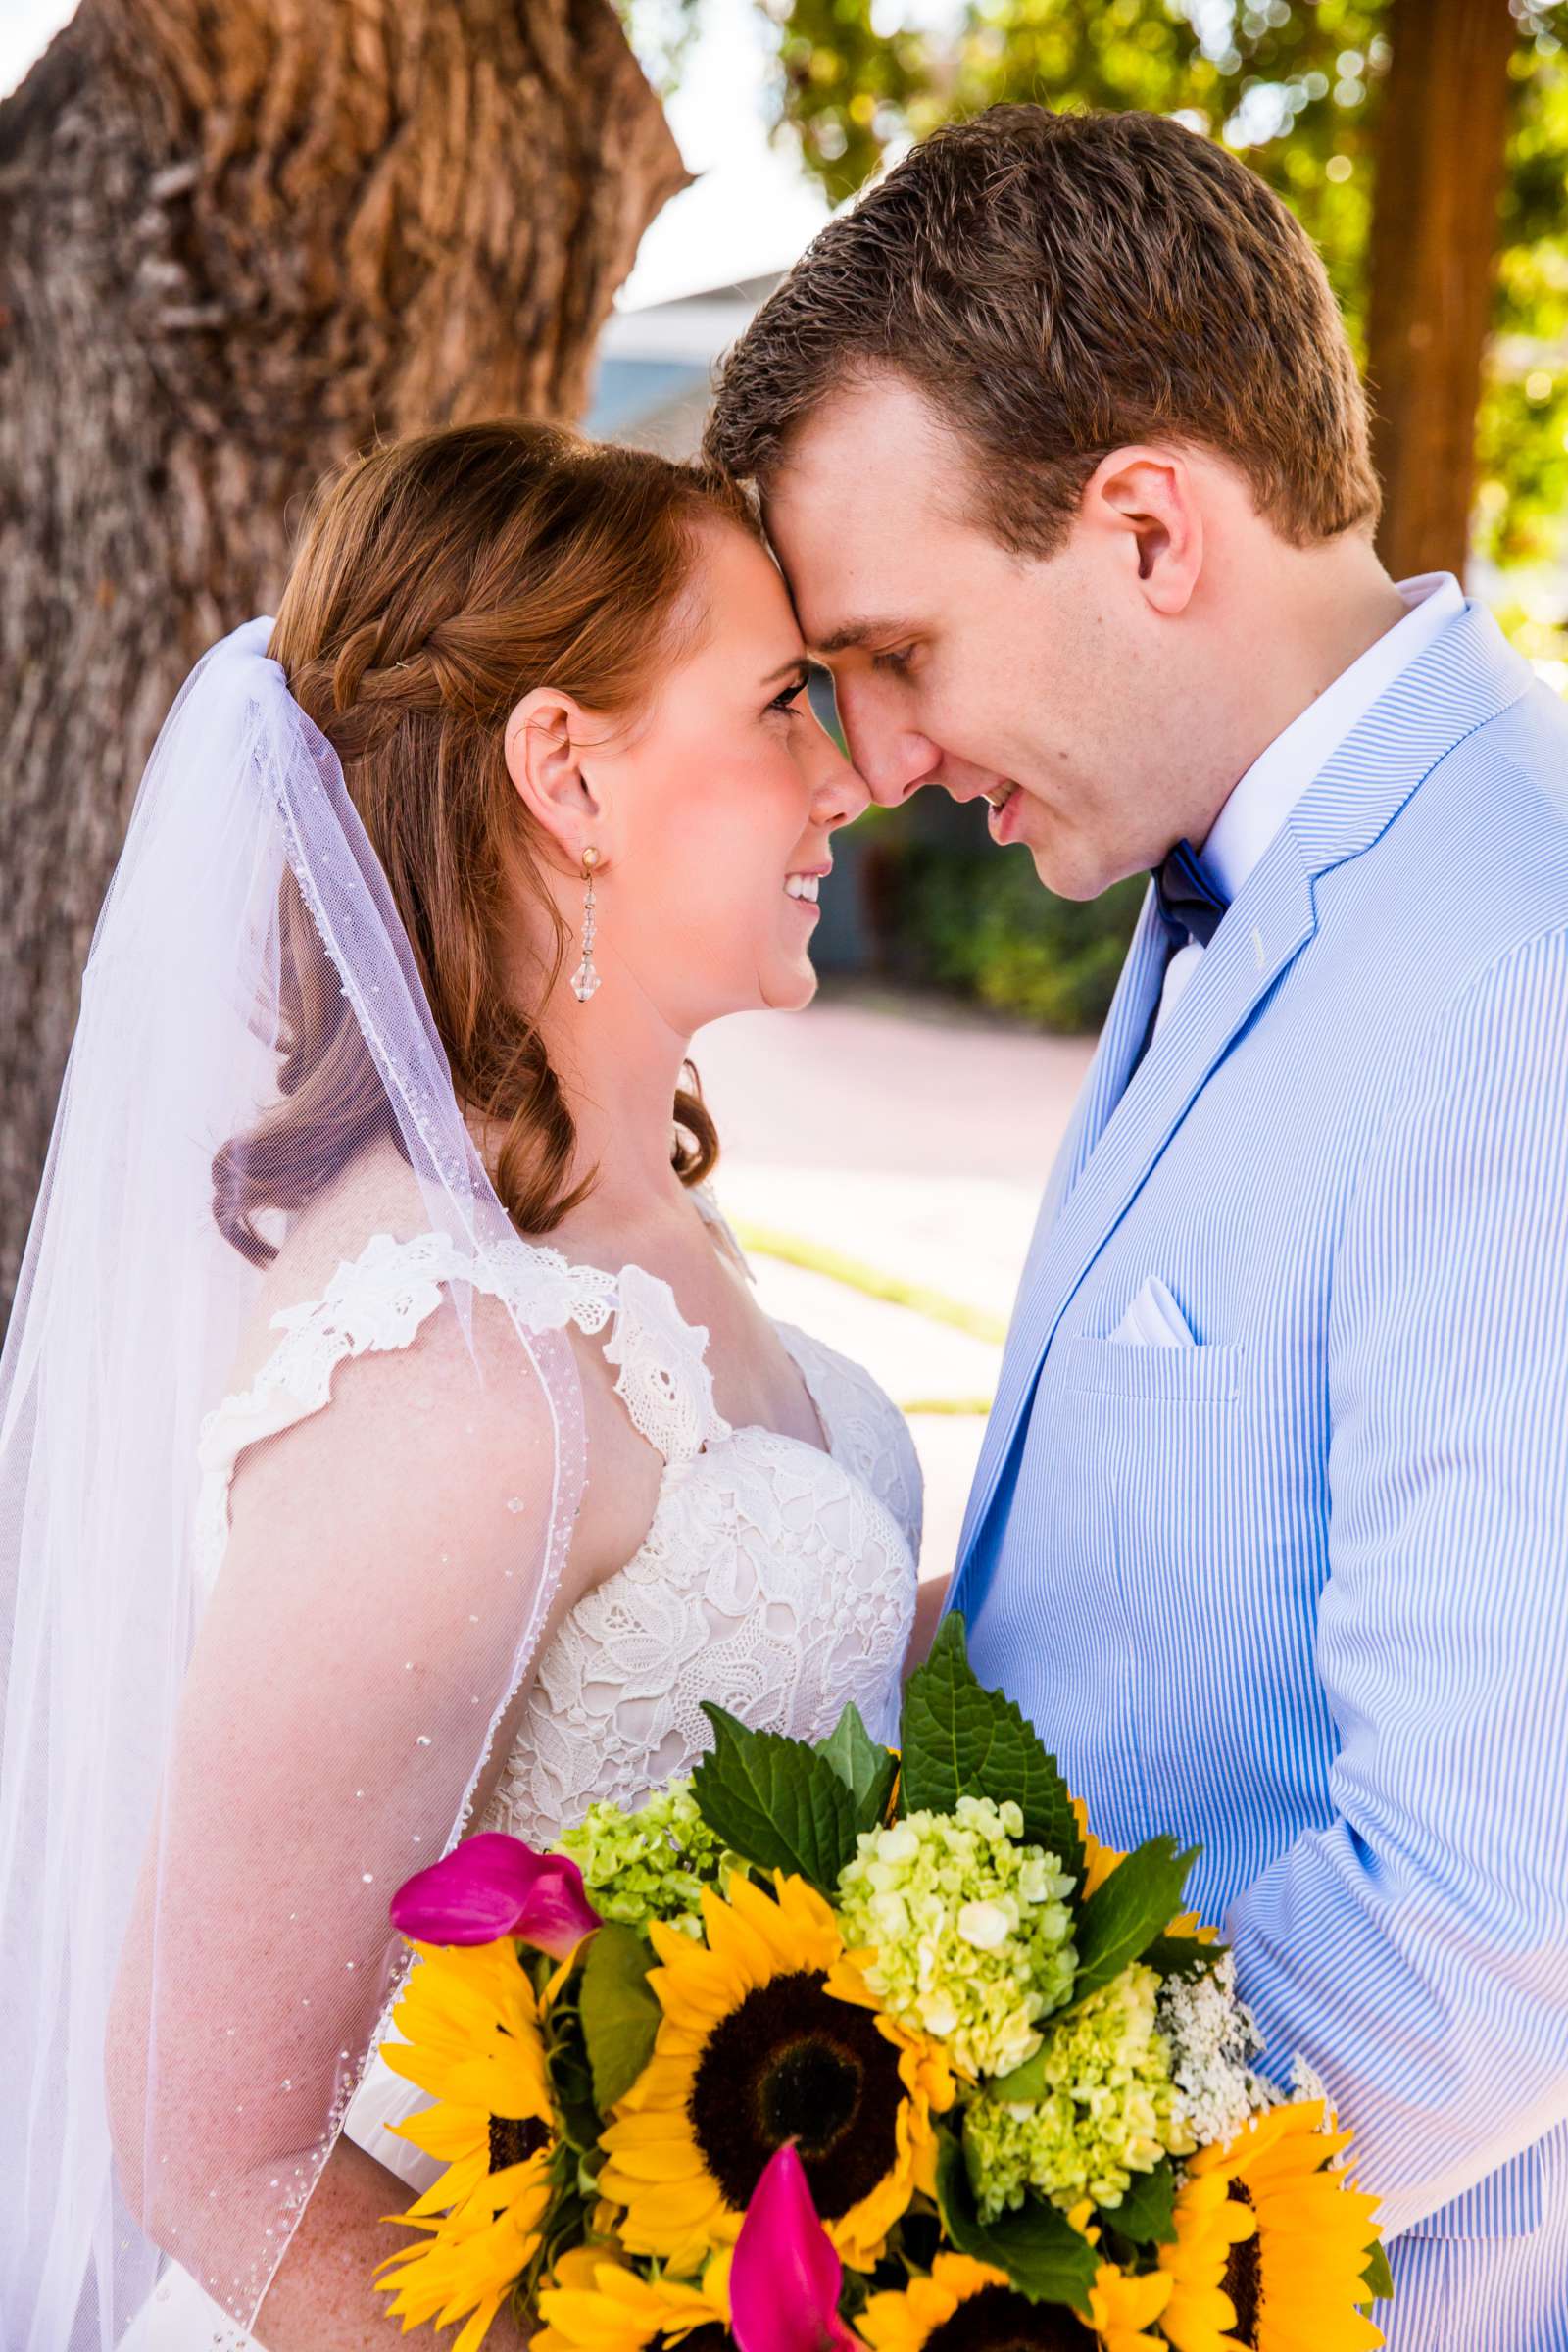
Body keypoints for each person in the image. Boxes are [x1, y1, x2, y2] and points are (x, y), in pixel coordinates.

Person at [707, 103, 1568, 2352]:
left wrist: (970, 2223)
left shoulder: (1517, 969)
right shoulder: (1212, 867)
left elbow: (1490, 1923)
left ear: (1146, 527)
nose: (873, 759)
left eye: (889, 650)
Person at [0, 420, 921, 2349]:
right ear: (565, 773)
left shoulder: (620, 1216)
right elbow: (223, 2158)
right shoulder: (441, 1364)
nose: (844, 777)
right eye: (776, 705)